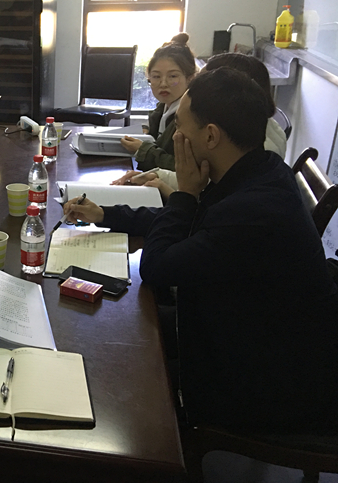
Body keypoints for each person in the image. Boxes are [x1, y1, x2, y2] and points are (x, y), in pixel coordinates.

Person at [64, 67, 338, 432]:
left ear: (210, 136)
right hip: (246, 334)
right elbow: (192, 224)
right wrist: (106, 214)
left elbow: (157, 266)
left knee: (112, 361)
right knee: (107, 330)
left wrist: (185, 193)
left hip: (268, 384)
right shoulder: (257, 169)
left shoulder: (255, 210)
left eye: (180, 126)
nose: (175, 136)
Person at [113, 53, 287, 197]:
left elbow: (202, 201)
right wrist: (157, 176)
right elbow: (202, 182)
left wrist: (179, 194)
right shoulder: (248, 140)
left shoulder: (252, 162)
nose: (176, 134)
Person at [119, 33, 197, 171]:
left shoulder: (192, 116)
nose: (163, 83)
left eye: (173, 76)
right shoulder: (164, 107)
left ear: (190, 78)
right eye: (156, 76)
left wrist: (143, 149)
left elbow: (186, 168)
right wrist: (148, 132)